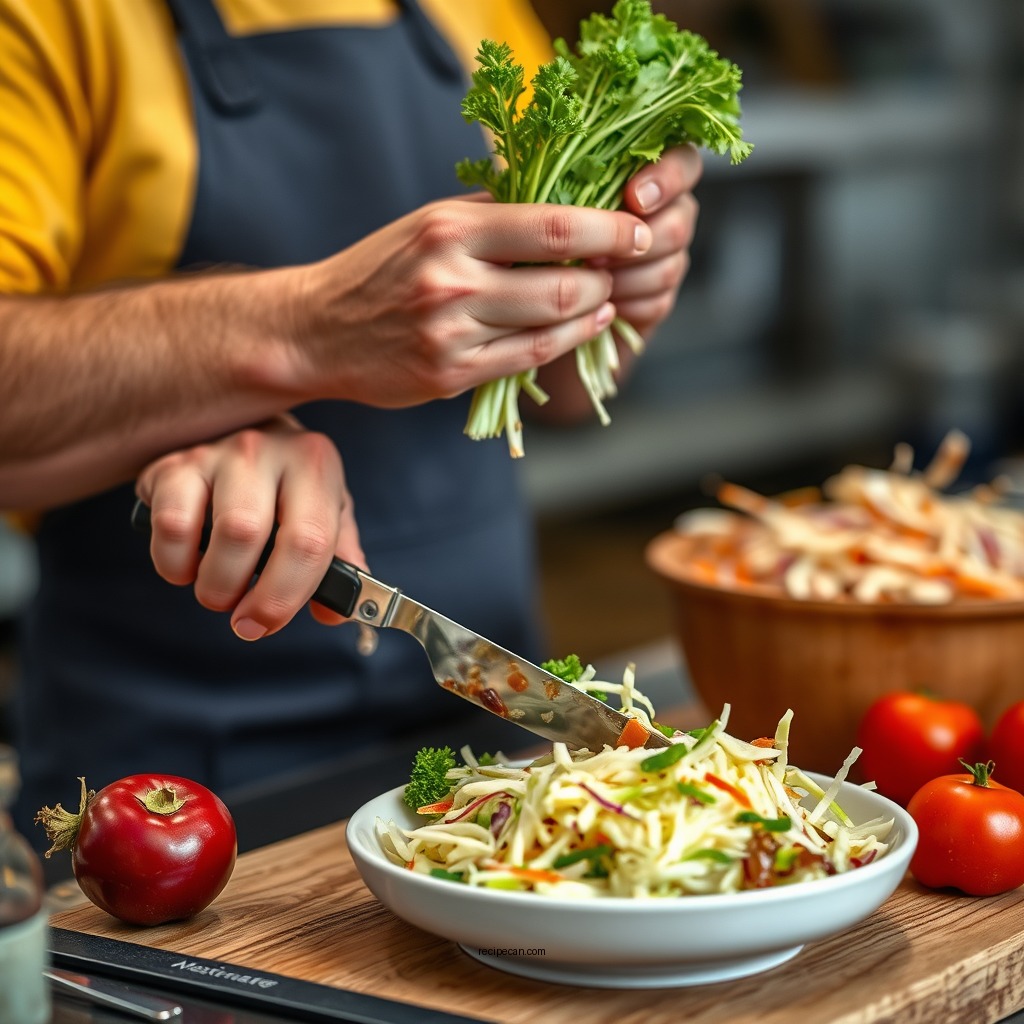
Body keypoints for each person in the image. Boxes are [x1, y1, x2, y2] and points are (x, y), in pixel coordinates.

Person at [0, 0, 702, 853]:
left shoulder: (470, 12)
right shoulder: (51, 21)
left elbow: (548, 396)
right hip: (172, 798)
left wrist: (608, 299)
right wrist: (305, 326)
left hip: (497, 734)